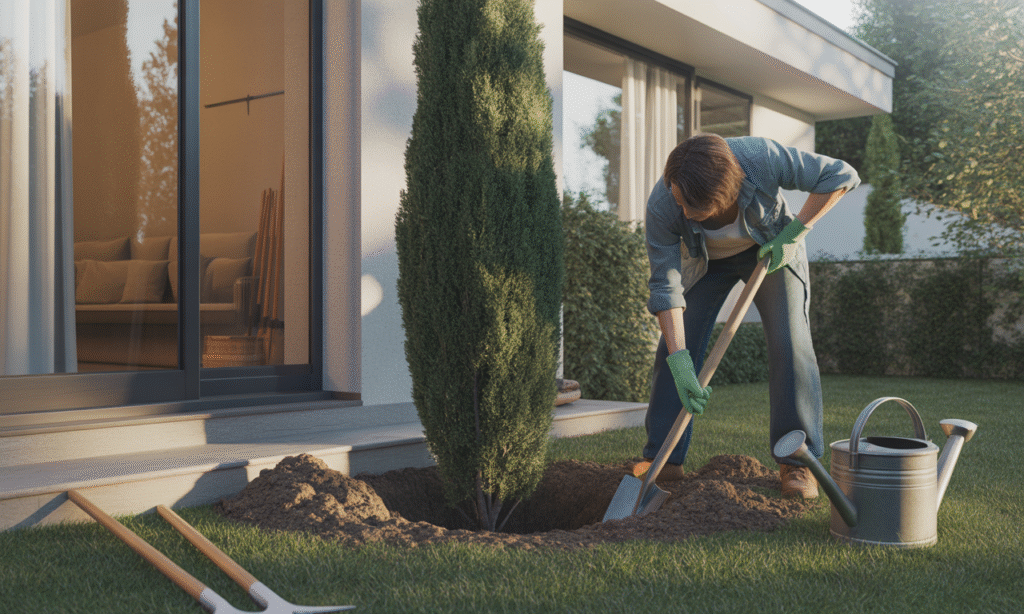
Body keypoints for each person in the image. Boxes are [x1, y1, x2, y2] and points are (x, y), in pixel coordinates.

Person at [641, 133, 860, 498]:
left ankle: (797, 463)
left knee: (790, 342)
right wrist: (681, 362)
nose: (680, 211)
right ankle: (664, 459)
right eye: (677, 199)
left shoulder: (760, 159)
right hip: (705, 261)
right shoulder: (663, 205)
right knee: (674, 350)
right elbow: (666, 288)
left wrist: (795, 231)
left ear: (727, 192)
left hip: (772, 246)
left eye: (690, 205)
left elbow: (840, 175)